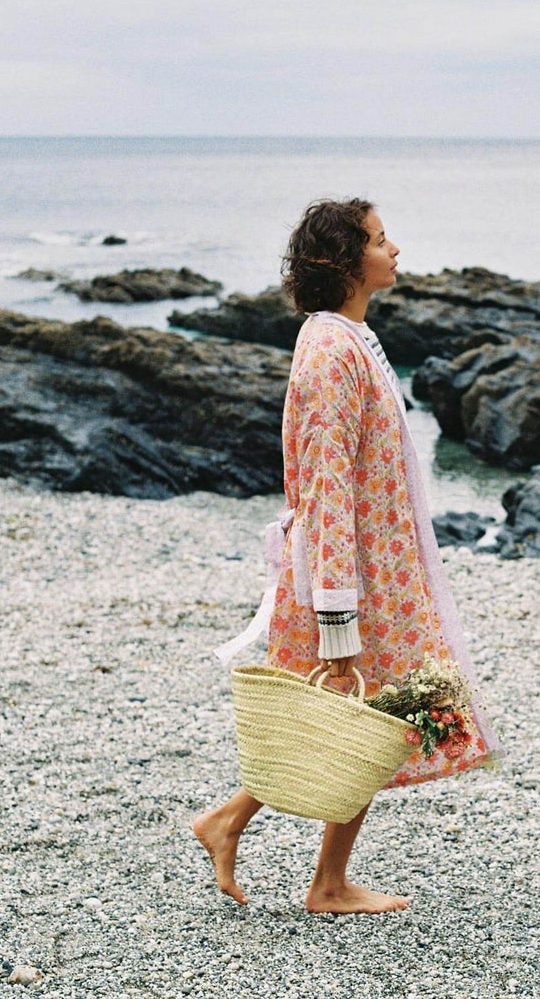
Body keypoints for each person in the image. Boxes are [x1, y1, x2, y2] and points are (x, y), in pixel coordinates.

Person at [194, 198, 502, 915]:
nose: (396, 250)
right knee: (369, 718)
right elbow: (327, 491)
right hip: (353, 582)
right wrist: (338, 620)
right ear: (343, 261)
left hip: (382, 576)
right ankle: (309, 872)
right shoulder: (332, 351)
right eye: (380, 239)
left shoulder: (347, 337)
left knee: (368, 718)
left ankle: (256, 838)